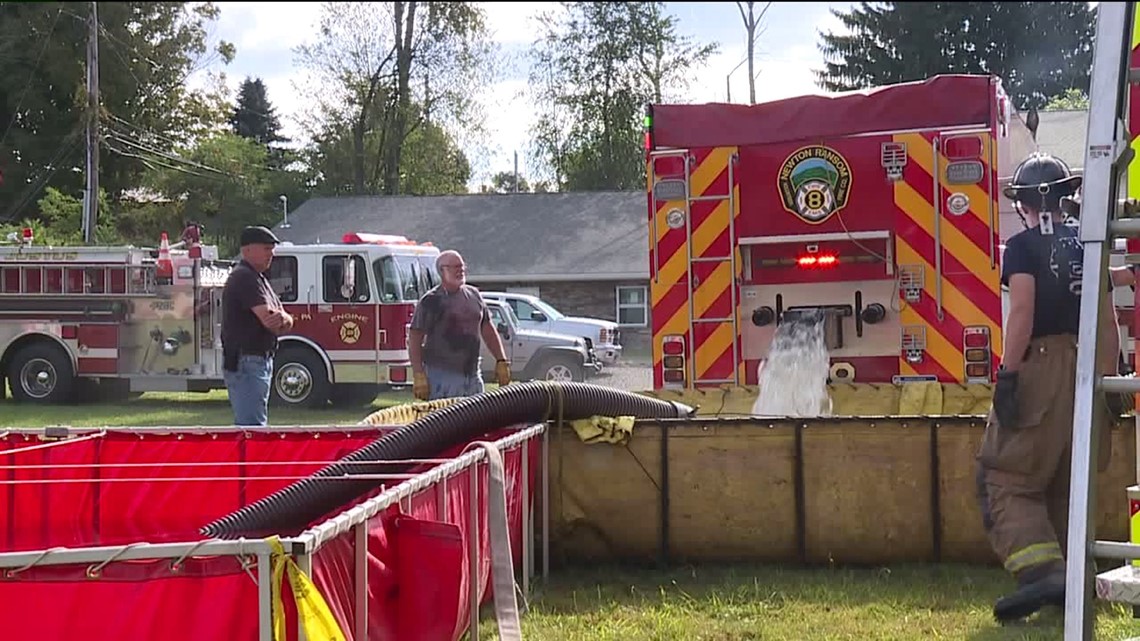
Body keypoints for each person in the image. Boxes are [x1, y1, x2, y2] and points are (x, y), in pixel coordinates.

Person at [975, 152, 1124, 623]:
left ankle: (1043, 573)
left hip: (1039, 363)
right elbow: (1105, 314)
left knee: (1005, 477)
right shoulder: (1089, 243)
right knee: (1065, 477)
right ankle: (1073, 580)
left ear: (1024, 203)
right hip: (1086, 366)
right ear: (1066, 197)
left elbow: (1022, 312)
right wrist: (1110, 380)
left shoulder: (1021, 248)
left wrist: (1009, 374)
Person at [408, 249, 510, 400]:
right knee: (447, 422)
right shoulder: (431, 301)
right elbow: (415, 338)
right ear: (442, 271)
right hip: (441, 377)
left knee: (476, 420)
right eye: (455, 267)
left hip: (473, 375)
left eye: (462, 267)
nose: (460, 270)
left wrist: (501, 360)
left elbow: (487, 328)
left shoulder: (474, 295)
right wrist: (418, 373)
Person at [221, 225, 293, 426]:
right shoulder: (244, 277)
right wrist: (281, 319)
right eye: (266, 248)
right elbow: (270, 320)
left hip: (257, 359)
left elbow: (285, 319)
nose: (272, 253)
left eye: (272, 248)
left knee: (254, 423)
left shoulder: (260, 279)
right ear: (247, 250)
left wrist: (283, 318)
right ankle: (248, 458)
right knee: (252, 427)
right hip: (247, 360)